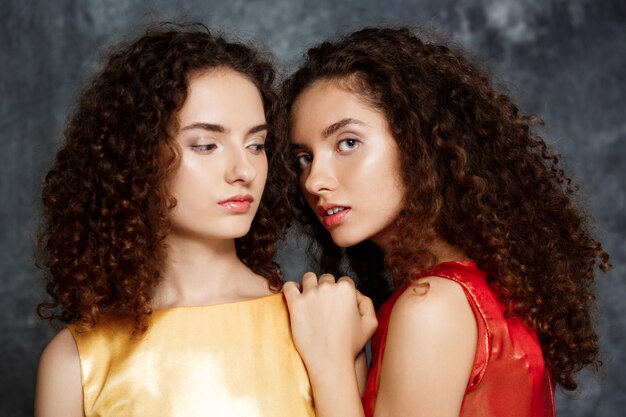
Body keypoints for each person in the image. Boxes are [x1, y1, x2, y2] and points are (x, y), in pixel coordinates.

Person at [281, 26, 611, 417]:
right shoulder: (484, 291)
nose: (316, 181)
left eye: (347, 143)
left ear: (419, 142)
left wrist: (330, 363)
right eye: (304, 158)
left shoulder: (431, 309)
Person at [35, 23, 314, 417]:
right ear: (139, 158)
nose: (244, 170)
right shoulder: (74, 361)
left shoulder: (316, 323)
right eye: (206, 145)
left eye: (256, 145)